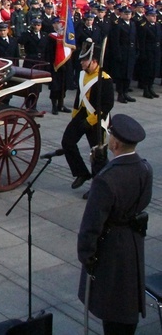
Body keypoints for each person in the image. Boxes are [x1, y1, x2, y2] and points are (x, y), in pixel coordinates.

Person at [77, 114, 152, 334]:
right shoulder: (145, 168)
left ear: (115, 143)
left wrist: (86, 254)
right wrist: (102, 167)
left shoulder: (106, 180)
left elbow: (91, 224)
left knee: (112, 306)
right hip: (133, 240)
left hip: (111, 245)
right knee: (127, 298)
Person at [62, 42, 114, 190]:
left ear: (94, 61)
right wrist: (75, 115)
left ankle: (98, 187)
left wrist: (91, 120)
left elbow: (107, 105)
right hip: (82, 114)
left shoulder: (105, 79)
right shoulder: (82, 74)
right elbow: (79, 96)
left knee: (97, 154)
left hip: (97, 118)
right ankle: (81, 172)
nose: (81, 62)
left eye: (84, 60)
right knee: (67, 142)